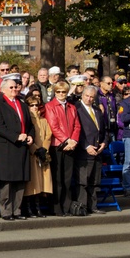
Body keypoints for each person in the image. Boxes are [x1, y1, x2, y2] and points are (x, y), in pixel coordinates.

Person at [0, 76, 35, 220]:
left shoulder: (22, 104)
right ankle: (6, 211)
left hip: (22, 147)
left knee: (20, 180)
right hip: (6, 148)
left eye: (16, 87)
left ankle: (17, 210)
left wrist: (30, 135)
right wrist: (16, 136)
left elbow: (30, 124)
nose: (14, 89)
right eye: (11, 87)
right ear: (3, 89)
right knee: (7, 181)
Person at [44, 81, 81, 216]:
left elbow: (77, 125)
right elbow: (54, 126)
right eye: (58, 92)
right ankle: (56, 207)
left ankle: (67, 206)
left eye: (63, 92)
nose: (61, 94)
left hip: (70, 146)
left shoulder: (72, 107)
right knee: (57, 178)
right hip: (57, 146)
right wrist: (67, 140)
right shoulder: (50, 106)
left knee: (67, 178)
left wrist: (74, 141)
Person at [73, 85, 107, 215]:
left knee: (94, 180)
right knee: (83, 181)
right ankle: (82, 207)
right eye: (87, 96)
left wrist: (104, 143)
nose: (89, 99)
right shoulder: (77, 109)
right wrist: (86, 146)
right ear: (82, 95)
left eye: (92, 97)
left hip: (97, 151)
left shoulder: (97, 111)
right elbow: (77, 131)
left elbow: (103, 131)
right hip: (83, 152)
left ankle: (93, 206)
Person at [23, 96, 53, 217]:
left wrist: (44, 149)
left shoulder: (43, 120)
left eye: (36, 105)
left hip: (43, 154)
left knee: (42, 183)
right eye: (32, 105)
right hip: (32, 154)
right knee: (32, 184)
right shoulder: (27, 120)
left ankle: (38, 207)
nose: (34, 107)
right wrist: (35, 149)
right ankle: (29, 208)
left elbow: (48, 135)